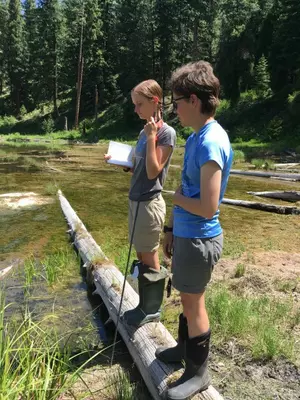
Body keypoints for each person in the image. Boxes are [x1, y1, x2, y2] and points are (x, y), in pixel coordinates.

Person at [155, 61, 233, 400]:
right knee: (186, 298)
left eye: (176, 102)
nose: (175, 110)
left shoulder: (211, 141)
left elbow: (208, 206)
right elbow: (191, 193)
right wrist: (171, 227)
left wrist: (175, 198)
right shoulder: (197, 136)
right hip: (187, 234)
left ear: (194, 100)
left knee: (194, 302)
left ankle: (198, 372)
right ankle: (184, 350)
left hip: (200, 238)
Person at [104, 79, 176, 327]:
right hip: (135, 201)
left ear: (155, 102)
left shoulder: (165, 133)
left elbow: (154, 170)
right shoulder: (144, 131)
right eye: (134, 105)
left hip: (149, 203)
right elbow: (140, 166)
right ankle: (144, 304)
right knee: (140, 252)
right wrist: (122, 162)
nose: (136, 110)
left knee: (150, 254)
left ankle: (152, 309)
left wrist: (153, 136)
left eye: (139, 104)